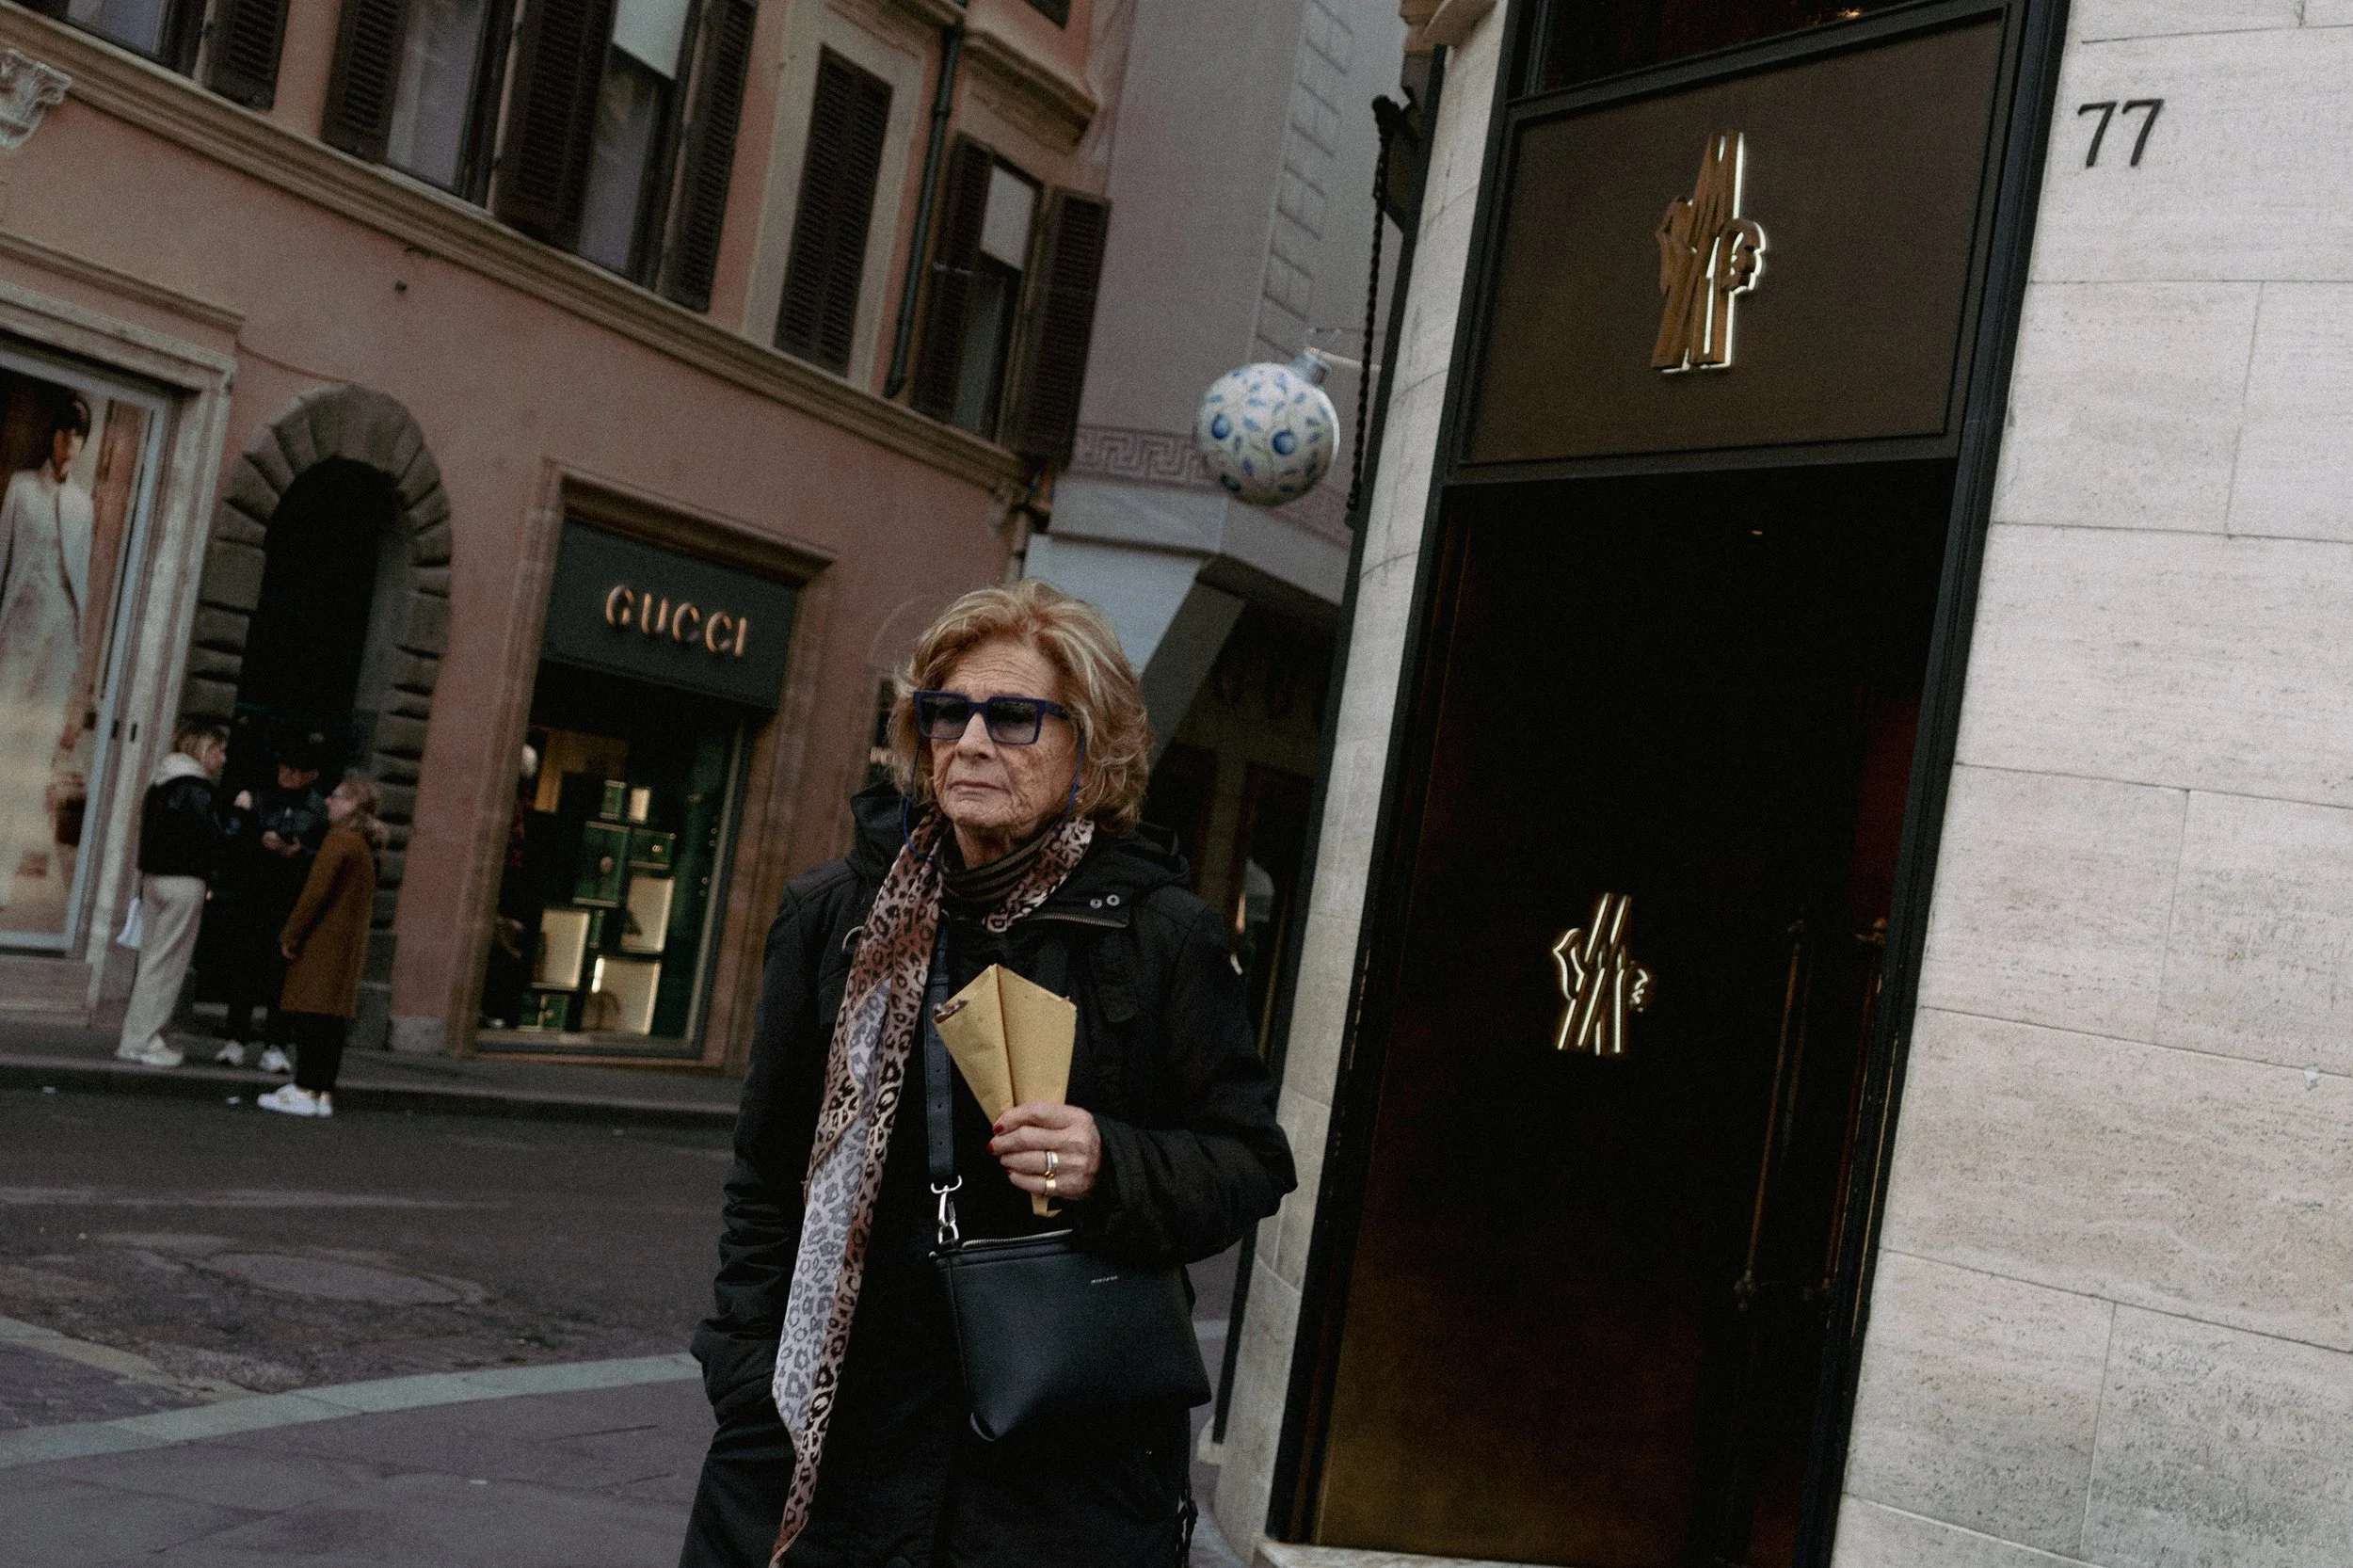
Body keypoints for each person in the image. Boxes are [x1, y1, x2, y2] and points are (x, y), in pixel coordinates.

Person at [680, 581, 1296, 1568]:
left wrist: (1112, 1161)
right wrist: (750, 1375)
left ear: (1089, 748)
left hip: (1061, 1456)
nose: (970, 742)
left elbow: (1247, 1159)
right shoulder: (836, 915)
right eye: (945, 713)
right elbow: (766, 1170)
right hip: (831, 1440)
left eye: (1013, 718)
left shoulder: (1158, 932)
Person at [0, 392, 93, 918]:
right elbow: (2, 561)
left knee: (31, 765)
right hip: (17, 631)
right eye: (65, 433)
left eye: (79, 435)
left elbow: (80, 582)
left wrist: (76, 662)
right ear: (53, 436)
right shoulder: (20, 489)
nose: (71, 443)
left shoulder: (83, 505)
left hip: (58, 638)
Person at [256, 777, 383, 1119]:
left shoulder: (339, 841)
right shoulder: (363, 846)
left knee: (311, 1018)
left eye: (337, 796)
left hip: (323, 942)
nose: (328, 801)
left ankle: (303, 1088)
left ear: (354, 804)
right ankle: (321, 1092)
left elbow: (314, 894)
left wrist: (290, 936)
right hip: (345, 946)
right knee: (329, 1023)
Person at [115, 723, 241, 1068]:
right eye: (219, 750)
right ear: (203, 750)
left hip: (154, 878)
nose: (223, 758)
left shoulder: (160, 784)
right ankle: (144, 1041)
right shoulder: (197, 788)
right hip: (185, 881)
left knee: (152, 961)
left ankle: (135, 1038)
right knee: (168, 964)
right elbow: (221, 833)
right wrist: (241, 812)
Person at [213, 741, 329, 1070]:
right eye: (283, 769)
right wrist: (257, 838)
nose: (287, 776)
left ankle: (275, 1043)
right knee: (245, 968)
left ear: (311, 776)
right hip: (254, 894)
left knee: (283, 972)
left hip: (291, 899)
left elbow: (324, 855)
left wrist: (298, 851)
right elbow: (233, 842)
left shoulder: (318, 810)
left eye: (295, 771)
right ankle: (236, 1038)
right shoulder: (258, 798)